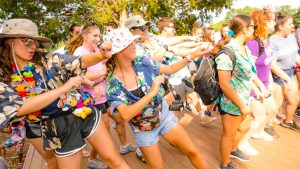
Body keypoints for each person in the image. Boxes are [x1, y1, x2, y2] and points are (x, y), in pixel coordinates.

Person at [0, 18, 129, 169]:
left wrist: (101, 55)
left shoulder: (46, 60)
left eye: (35, 42)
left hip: (76, 111)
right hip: (39, 125)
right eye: (27, 41)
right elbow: (18, 108)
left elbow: (77, 62)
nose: (33, 46)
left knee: (115, 160)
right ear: (9, 41)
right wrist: (62, 88)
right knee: (53, 163)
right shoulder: (3, 75)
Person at [105, 28, 209, 169]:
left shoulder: (142, 62)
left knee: (192, 151)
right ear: (118, 50)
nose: (135, 45)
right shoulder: (113, 84)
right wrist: (152, 93)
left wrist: (191, 56)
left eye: (133, 42)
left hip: (163, 116)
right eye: (130, 44)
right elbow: (125, 114)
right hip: (144, 130)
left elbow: (170, 69)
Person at [214, 15, 256, 169]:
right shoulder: (227, 52)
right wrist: (241, 105)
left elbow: (250, 72)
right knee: (229, 133)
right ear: (244, 29)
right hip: (231, 101)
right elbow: (225, 84)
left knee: (245, 127)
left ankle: (232, 149)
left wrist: (258, 88)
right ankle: (225, 164)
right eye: (253, 26)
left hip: (243, 97)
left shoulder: (244, 47)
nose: (254, 29)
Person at [239, 7, 279, 156]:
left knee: (272, 110)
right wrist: (260, 86)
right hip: (252, 86)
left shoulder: (265, 40)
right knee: (259, 115)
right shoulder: (254, 43)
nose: (276, 22)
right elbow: (249, 70)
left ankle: (259, 131)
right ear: (265, 22)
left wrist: (269, 85)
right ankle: (242, 143)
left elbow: (267, 66)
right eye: (273, 20)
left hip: (264, 85)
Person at [269, 13, 300, 132]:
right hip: (278, 74)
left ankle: (288, 121)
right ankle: (267, 126)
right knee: (277, 104)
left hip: (291, 72)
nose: (293, 26)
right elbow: (272, 64)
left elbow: (295, 55)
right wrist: (285, 78)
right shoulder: (272, 41)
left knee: (294, 101)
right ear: (280, 26)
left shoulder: (291, 37)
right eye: (290, 24)